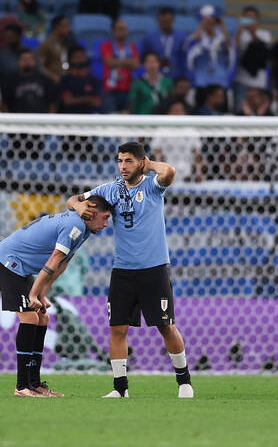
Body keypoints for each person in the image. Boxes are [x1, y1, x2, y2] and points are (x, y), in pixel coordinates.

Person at [67, 141, 194, 399]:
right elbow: (72, 200)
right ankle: (120, 389)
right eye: (120, 161)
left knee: (166, 326)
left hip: (154, 269)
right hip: (123, 270)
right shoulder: (111, 190)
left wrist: (149, 165)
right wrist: (79, 205)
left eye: (128, 161)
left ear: (141, 162)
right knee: (117, 328)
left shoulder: (152, 186)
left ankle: (184, 383)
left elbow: (169, 171)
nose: (123, 166)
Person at [0, 198, 113, 397]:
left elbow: (62, 264)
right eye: (105, 218)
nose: (106, 224)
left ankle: (35, 383)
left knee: (42, 318)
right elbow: (54, 258)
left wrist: (42, 293)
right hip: (8, 263)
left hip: (20, 268)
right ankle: (22, 386)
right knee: (30, 318)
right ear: (91, 212)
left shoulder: (84, 228)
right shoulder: (75, 225)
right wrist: (33, 293)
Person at [186, 5, 235, 89]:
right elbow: (191, 43)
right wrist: (202, 25)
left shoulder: (222, 36)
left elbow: (229, 47)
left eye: (212, 20)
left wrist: (223, 27)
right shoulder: (196, 36)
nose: (209, 23)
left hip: (220, 79)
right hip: (201, 79)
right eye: (206, 20)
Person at [233, 6, 271, 113]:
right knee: (240, 109)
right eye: (247, 17)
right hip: (242, 79)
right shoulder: (239, 34)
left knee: (260, 110)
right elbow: (234, 48)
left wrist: (252, 32)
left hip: (259, 81)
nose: (250, 20)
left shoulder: (264, 34)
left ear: (258, 19)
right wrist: (239, 30)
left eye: (252, 17)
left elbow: (263, 49)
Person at [1, 48, 58, 113]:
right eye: (24, 59)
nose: (27, 62)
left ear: (35, 61)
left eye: (30, 59)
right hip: (18, 120)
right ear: (18, 61)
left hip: (41, 119)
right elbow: (4, 105)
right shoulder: (11, 81)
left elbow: (52, 105)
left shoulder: (45, 80)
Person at [100, 19, 139, 113]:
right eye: (120, 29)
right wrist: (128, 61)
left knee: (126, 119)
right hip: (110, 89)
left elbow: (136, 64)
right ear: (113, 31)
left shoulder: (132, 47)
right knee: (111, 119)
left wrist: (117, 61)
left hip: (128, 88)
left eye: (125, 29)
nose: (123, 32)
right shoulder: (106, 46)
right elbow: (109, 62)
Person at [139, 7, 188, 79]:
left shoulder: (182, 37)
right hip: (155, 75)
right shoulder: (149, 37)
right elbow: (143, 57)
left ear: (172, 20)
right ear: (158, 21)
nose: (164, 24)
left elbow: (185, 58)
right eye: (162, 22)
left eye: (167, 21)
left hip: (177, 75)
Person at [59, 46, 102, 114]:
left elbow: (97, 102)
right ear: (70, 59)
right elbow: (67, 101)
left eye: (82, 56)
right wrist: (89, 99)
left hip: (89, 118)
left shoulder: (93, 79)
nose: (80, 59)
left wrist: (75, 100)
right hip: (70, 117)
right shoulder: (65, 79)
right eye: (77, 57)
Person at [37, 15, 72, 84]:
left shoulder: (67, 42)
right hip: (53, 80)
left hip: (67, 78)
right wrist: (53, 76)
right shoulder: (46, 44)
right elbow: (40, 66)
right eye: (65, 26)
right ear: (57, 27)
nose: (69, 29)